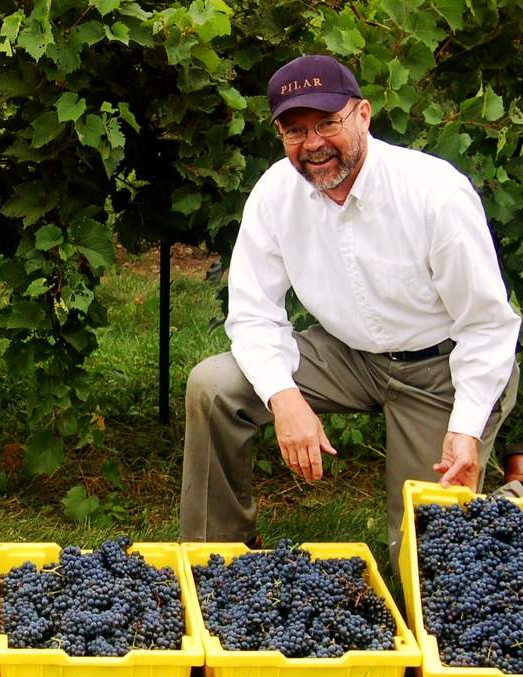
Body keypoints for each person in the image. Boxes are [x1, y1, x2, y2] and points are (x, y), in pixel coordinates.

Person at [179, 54, 520, 571]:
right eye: (294, 130)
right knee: (214, 385)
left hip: (442, 370)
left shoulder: (433, 193)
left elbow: (487, 325)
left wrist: (467, 426)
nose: (312, 143)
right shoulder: (276, 192)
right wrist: (285, 397)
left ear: (362, 115)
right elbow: (251, 313)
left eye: (326, 123)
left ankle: (512, 501)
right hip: (346, 354)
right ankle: (213, 563)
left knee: (424, 568)